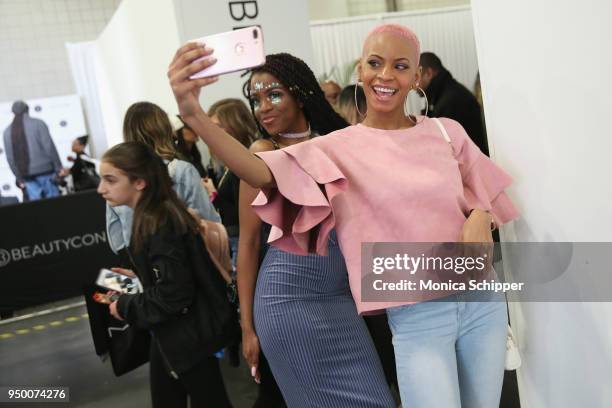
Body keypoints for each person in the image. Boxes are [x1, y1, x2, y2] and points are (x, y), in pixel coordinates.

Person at [168, 22, 519, 408]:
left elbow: (482, 192)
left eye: (400, 66)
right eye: (375, 63)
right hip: (418, 318)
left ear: (417, 76)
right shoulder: (337, 148)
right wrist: (194, 115)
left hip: (480, 300)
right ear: (360, 70)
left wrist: (480, 215)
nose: (385, 75)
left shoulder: (446, 131)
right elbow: (259, 172)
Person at [194, 52, 394, 407]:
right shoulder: (261, 152)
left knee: (376, 399)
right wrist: (247, 327)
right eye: (255, 99)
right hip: (287, 303)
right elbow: (250, 245)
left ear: (300, 95)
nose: (263, 108)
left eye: (273, 94)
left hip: (341, 300)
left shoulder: (335, 141)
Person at [97, 141, 234, 408]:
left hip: (187, 334)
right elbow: (173, 278)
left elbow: (175, 293)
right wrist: (141, 280)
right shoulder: (152, 217)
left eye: (111, 180)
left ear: (139, 182)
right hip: (177, 333)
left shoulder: (159, 223)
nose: (102, 189)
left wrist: (124, 305)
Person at [106, 101, 220, 254]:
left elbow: (117, 242)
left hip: (142, 270)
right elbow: (210, 224)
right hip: (184, 264)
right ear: (164, 128)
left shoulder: (116, 180)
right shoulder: (181, 170)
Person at [203, 98, 257, 269]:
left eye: (218, 126)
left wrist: (213, 193)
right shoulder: (230, 162)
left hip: (244, 241)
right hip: (236, 240)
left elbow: (241, 213)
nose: (213, 133)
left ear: (235, 125)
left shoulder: (245, 163)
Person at [419, 52, 489, 155]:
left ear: (429, 73)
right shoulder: (441, 97)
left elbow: (444, 151)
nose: (413, 84)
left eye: (416, 77)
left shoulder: (451, 102)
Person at [2, 100, 65, 200]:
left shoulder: (7, 132)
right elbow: (49, 147)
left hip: (26, 175)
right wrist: (58, 167)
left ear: (13, 112)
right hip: (46, 172)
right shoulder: (39, 124)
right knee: (55, 206)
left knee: (37, 209)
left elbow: (10, 159)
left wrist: (19, 177)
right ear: (27, 109)